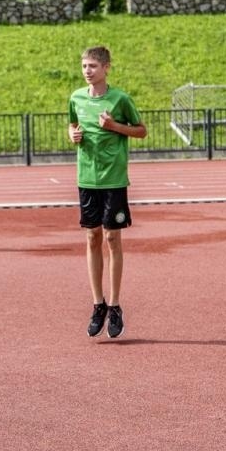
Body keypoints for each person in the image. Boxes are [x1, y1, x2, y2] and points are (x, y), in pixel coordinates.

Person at [68, 45, 146, 339]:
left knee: (112, 237)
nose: (87, 71)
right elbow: (72, 123)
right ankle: (97, 303)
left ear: (106, 68)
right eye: (84, 66)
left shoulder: (121, 98)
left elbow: (141, 130)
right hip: (86, 178)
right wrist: (72, 134)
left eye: (92, 66)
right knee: (92, 236)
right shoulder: (75, 97)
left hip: (113, 178)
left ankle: (114, 306)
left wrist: (113, 125)